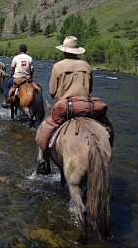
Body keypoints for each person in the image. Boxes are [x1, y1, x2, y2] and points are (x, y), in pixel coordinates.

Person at [37, 36, 93, 175]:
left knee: (43, 128)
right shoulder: (86, 66)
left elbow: (52, 91)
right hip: (85, 105)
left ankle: (42, 161)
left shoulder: (58, 66)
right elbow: (90, 89)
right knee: (105, 126)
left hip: (64, 106)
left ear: (64, 51)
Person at [1, 44, 34, 108]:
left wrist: (14, 72)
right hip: (27, 77)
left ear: (19, 50)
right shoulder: (30, 58)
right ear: (26, 50)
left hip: (17, 77)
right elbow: (32, 69)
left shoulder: (16, 58)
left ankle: (7, 101)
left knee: (6, 86)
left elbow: (12, 68)